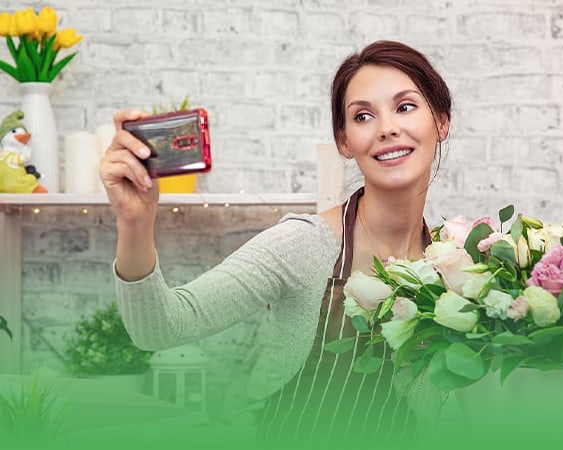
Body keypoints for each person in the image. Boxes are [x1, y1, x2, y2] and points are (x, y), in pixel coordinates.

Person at [99, 40, 452, 445]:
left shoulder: (456, 266)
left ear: (440, 122)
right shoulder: (304, 244)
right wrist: (135, 221)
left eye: (405, 107)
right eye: (363, 116)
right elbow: (159, 329)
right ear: (344, 141)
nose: (387, 127)